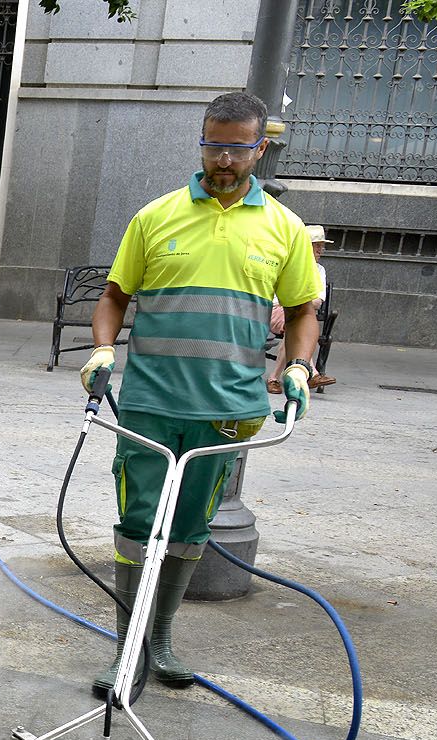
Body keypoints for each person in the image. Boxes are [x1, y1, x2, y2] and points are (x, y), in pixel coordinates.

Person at [80, 90, 319, 697]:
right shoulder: (155, 217)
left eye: (238, 148)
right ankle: (126, 653)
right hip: (150, 404)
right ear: (203, 141)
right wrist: (104, 349)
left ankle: (159, 639)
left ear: (260, 149)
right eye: (215, 144)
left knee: (189, 528)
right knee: (138, 525)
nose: (225, 160)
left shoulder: (284, 229)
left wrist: (297, 365)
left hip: (227, 411)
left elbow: (301, 310)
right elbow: (114, 296)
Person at [267, 223, 334, 393]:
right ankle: (312, 372)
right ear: (306, 246)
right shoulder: (289, 264)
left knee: (294, 326)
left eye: (322, 246)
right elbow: (277, 298)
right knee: (295, 326)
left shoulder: (319, 270)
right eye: (317, 245)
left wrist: (295, 302)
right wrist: (298, 302)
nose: (321, 250)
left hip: (299, 313)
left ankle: (274, 378)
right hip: (276, 312)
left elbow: (318, 301)